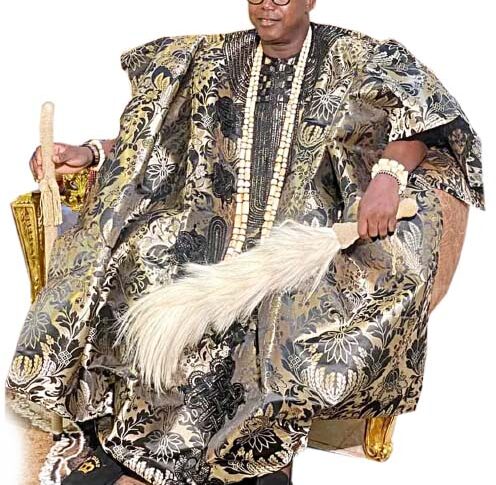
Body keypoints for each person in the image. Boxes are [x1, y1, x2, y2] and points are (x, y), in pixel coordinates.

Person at [8, 0, 484, 484]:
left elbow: (425, 121)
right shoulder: (209, 60)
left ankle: (248, 454)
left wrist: (388, 175)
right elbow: (154, 139)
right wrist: (88, 152)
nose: (266, 5)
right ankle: (140, 445)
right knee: (142, 265)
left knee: (276, 311)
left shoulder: (358, 57)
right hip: (204, 234)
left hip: (302, 248)